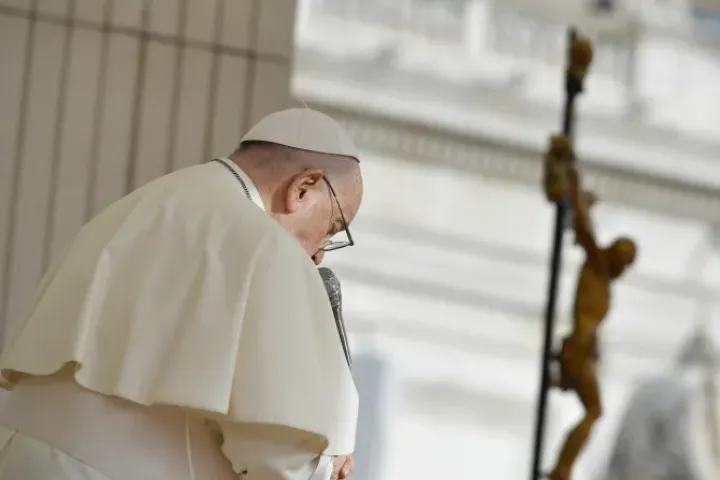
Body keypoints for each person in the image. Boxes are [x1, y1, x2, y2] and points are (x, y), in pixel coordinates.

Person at [0, 108, 363, 480]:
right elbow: (274, 454)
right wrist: (324, 467)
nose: (320, 254)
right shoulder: (269, 247)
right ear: (303, 187)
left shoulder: (138, 204)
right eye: (333, 227)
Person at [547, 166, 637, 480]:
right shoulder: (597, 264)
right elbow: (584, 225)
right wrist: (572, 182)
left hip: (584, 348)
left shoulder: (604, 280)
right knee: (595, 410)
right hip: (578, 346)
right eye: (624, 261)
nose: (624, 269)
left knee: (594, 410)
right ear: (614, 255)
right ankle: (562, 468)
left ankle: (563, 467)